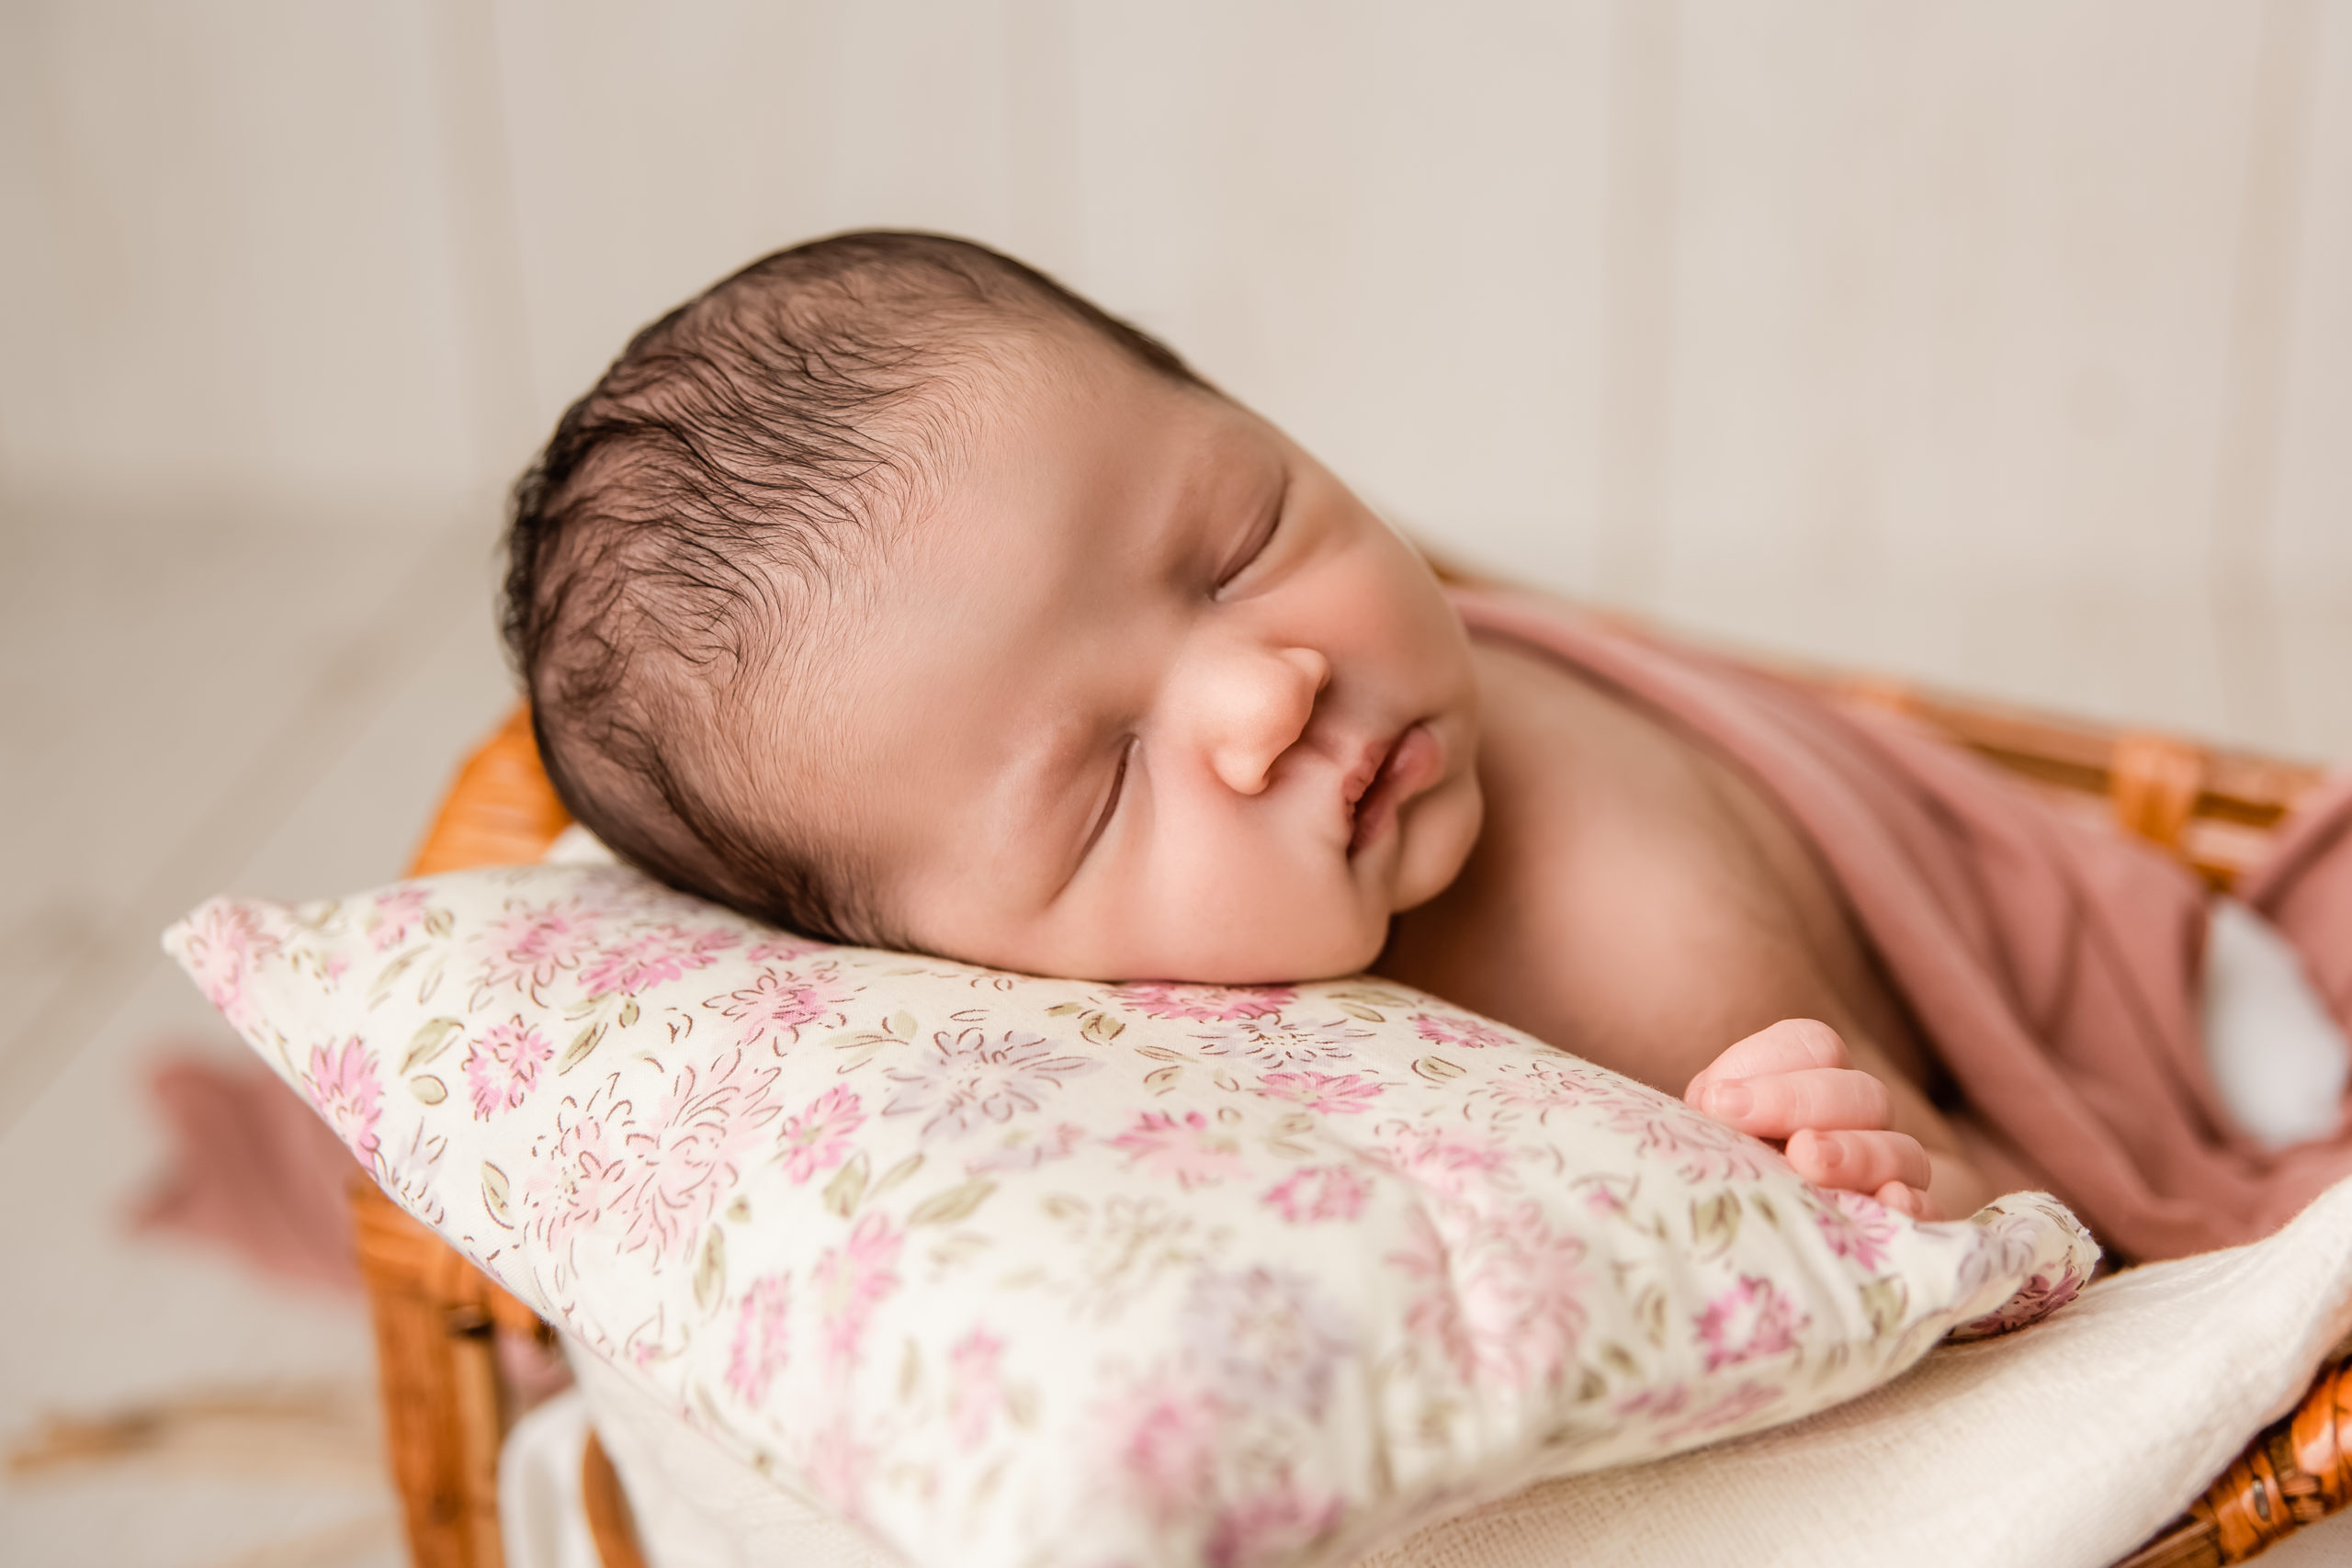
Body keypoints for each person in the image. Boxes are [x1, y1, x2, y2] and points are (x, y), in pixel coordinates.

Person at [503, 231, 2352, 1258]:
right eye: (1106, 777)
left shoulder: (1638, 967)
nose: (1262, 692)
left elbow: (2039, 1244)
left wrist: (1921, 1204)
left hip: (2179, 1040)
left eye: (1234, 542)